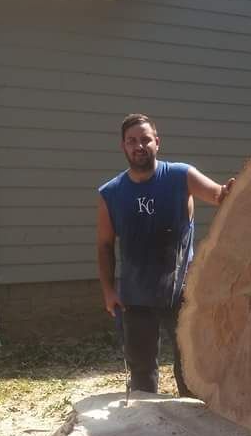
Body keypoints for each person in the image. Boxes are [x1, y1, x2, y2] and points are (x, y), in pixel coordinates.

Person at [97, 113, 235, 396]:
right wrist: (109, 290)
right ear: (123, 146)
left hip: (182, 292)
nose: (139, 146)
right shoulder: (111, 193)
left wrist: (233, 192)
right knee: (142, 372)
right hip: (134, 296)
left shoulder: (180, 176)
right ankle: (146, 427)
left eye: (145, 139)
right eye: (132, 141)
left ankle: (194, 427)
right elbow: (104, 245)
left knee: (190, 368)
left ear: (157, 142)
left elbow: (219, 195)